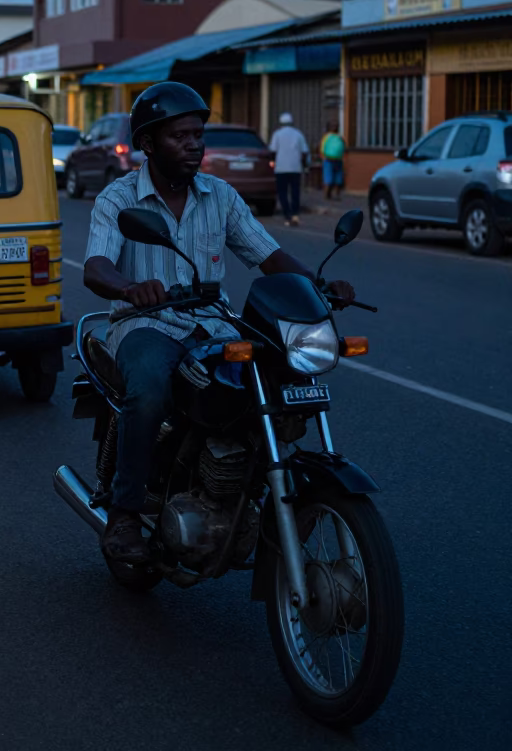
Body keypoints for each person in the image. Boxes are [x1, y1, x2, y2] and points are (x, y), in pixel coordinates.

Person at [83, 82, 355, 564]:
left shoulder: (219, 196)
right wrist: (129, 287)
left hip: (213, 325)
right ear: (148, 144)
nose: (194, 144)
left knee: (272, 376)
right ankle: (124, 514)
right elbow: (96, 266)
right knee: (148, 387)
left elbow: (266, 254)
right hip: (145, 323)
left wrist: (317, 285)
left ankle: (238, 482)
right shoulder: (117, 198)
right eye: (179, 136)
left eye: (197, 134)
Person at [268, 112, 309, 226]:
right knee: (295, 191)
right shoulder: (298, 134)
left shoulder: (277, 134)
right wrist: (304, 165)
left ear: (281, 123)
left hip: (281, 168)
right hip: (295, 168)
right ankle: (295, 214)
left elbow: (273, 151)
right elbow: (304, 152)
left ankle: (287, 215)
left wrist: (272, 163)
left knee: (282, 192)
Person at [320, 123, 346, 201]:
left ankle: (326, 195)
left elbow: (322, 148)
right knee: (338, 177)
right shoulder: (340, 137)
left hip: (328, 159)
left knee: (328, 178)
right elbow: (344, 146)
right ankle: (337, 195)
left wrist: (322, 156)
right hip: (338, 159)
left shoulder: (326, 137)